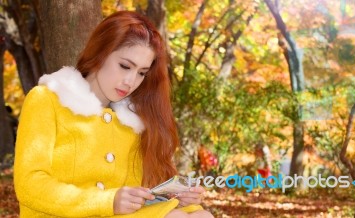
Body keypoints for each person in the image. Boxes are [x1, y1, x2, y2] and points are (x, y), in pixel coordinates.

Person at [14, 11, 213, 218]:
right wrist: (108, 201)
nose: (131, 81)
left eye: (142, 73)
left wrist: (176, 197)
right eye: (125, 66)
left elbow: (139, 193)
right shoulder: (47, 100)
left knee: (201, 215)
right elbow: (30, 184)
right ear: (100, 52)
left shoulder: (134, 120)